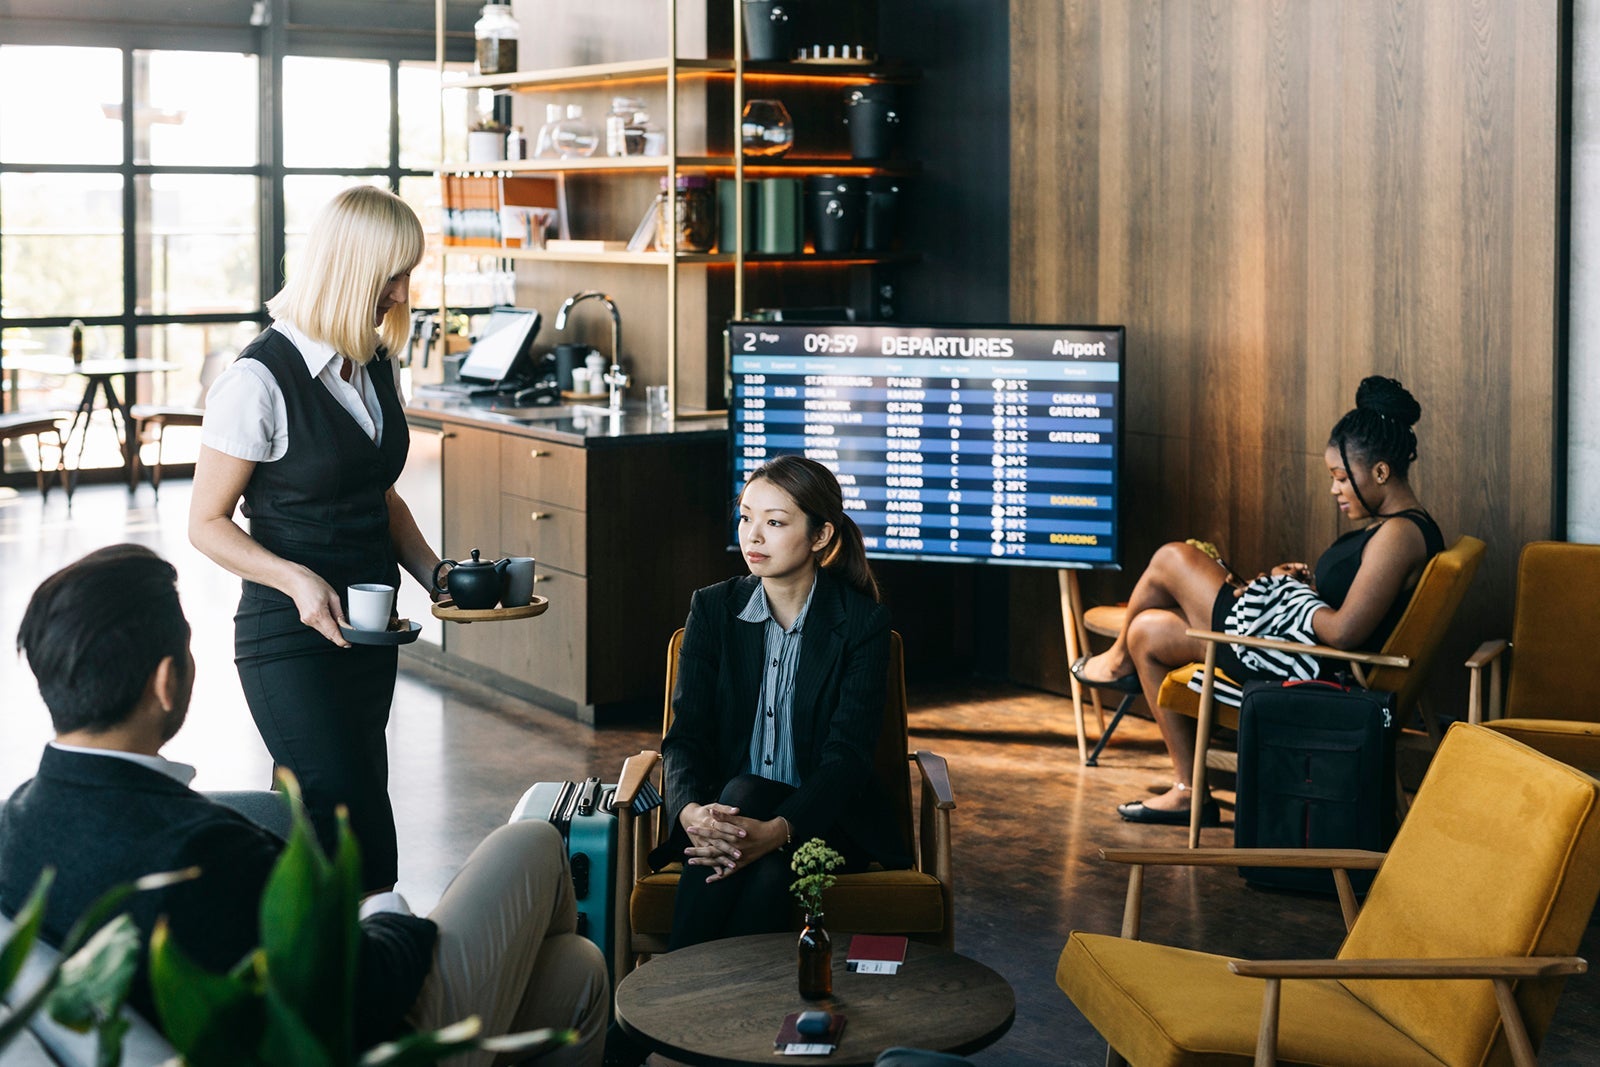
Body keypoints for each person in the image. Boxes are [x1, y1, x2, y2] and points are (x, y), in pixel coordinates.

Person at [0, 545, 608, 1065]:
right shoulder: (199, 850)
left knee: (575, 972)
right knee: (534, 841)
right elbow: (366, 987)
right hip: (364, 1043)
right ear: (167, 681)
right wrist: (391, 914)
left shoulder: (16, 822)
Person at [189, 185, 441, 892]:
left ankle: (340, 973)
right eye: (390, 273)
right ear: (348, 266)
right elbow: (205, 522)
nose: (399, 291)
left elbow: (377, 494)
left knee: (347, 808)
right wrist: (297, 580)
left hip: (368, 634)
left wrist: (435, 573)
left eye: (405, 273)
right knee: (332, 811)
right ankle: (338, 973)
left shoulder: (372, 363)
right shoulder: (258, 379)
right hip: (287, 636)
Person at [1071, 376, 1445, 824]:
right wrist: (1300, 584)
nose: (1335, 491)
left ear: (1380, 472)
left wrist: (1293, 595)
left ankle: (1113, 665)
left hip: (1307, 667)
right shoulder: (1394, 527)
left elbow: (1346, 632)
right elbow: (1349, 603)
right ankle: (1190, 791)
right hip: (1289, 646)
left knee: (1173, 558)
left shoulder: (1400, 535)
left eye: (1342, 478)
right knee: (1147, 632)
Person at [655, 455, 912, 948]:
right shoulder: (713, 609)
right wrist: (688, 812)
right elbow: (685, 736)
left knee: (750, 797)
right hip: (726, 817)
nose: (752, 536)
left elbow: (847, 758)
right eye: (746, 516)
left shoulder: (862, 624)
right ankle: (734, 1018)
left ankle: (660, 1009)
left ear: (821, 537)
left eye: (774, 523)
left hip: (827, 821)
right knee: (766, 865)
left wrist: (778, 829)